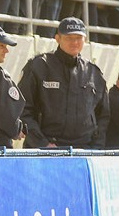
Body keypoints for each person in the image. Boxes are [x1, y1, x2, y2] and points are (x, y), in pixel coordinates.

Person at [18, 17, 110, 148]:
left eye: (79, 38)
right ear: (57, 38)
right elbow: (22, 109)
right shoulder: (39, 66)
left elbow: (103, 115)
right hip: (46, 150)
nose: (74, 42)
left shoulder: (93, 73)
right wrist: (42, 144)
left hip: (84, 150)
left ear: (85, 40)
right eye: (69, 38)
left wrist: (96, 146)